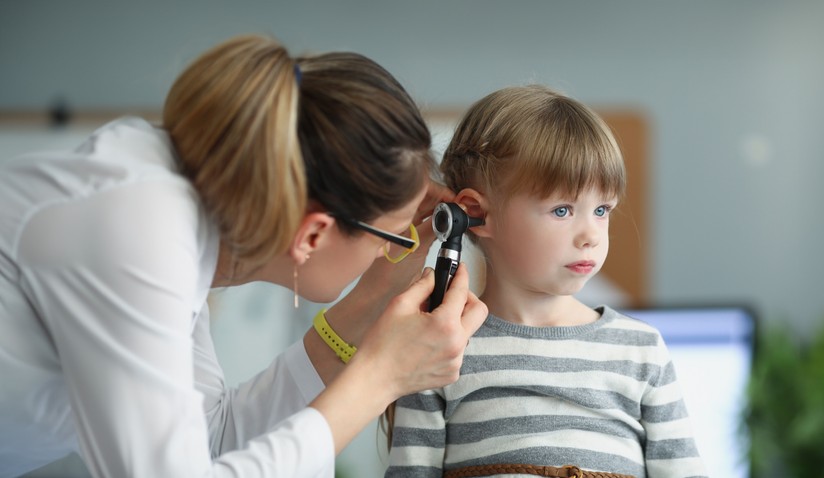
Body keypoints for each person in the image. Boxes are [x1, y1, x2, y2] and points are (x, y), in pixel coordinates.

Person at [0, 34, 487, 477]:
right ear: (313, 234)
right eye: (390, 236)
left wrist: (372, 300)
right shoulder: (135, 232)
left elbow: (214, 442)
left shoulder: (183, 215)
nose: (394, 248)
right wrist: (379, 378)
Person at [385, 85, 707, 478]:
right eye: (562, 209)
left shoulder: (641, 351)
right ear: (474, 212)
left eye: (602, 209)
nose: (590, 234)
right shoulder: (440, 350)